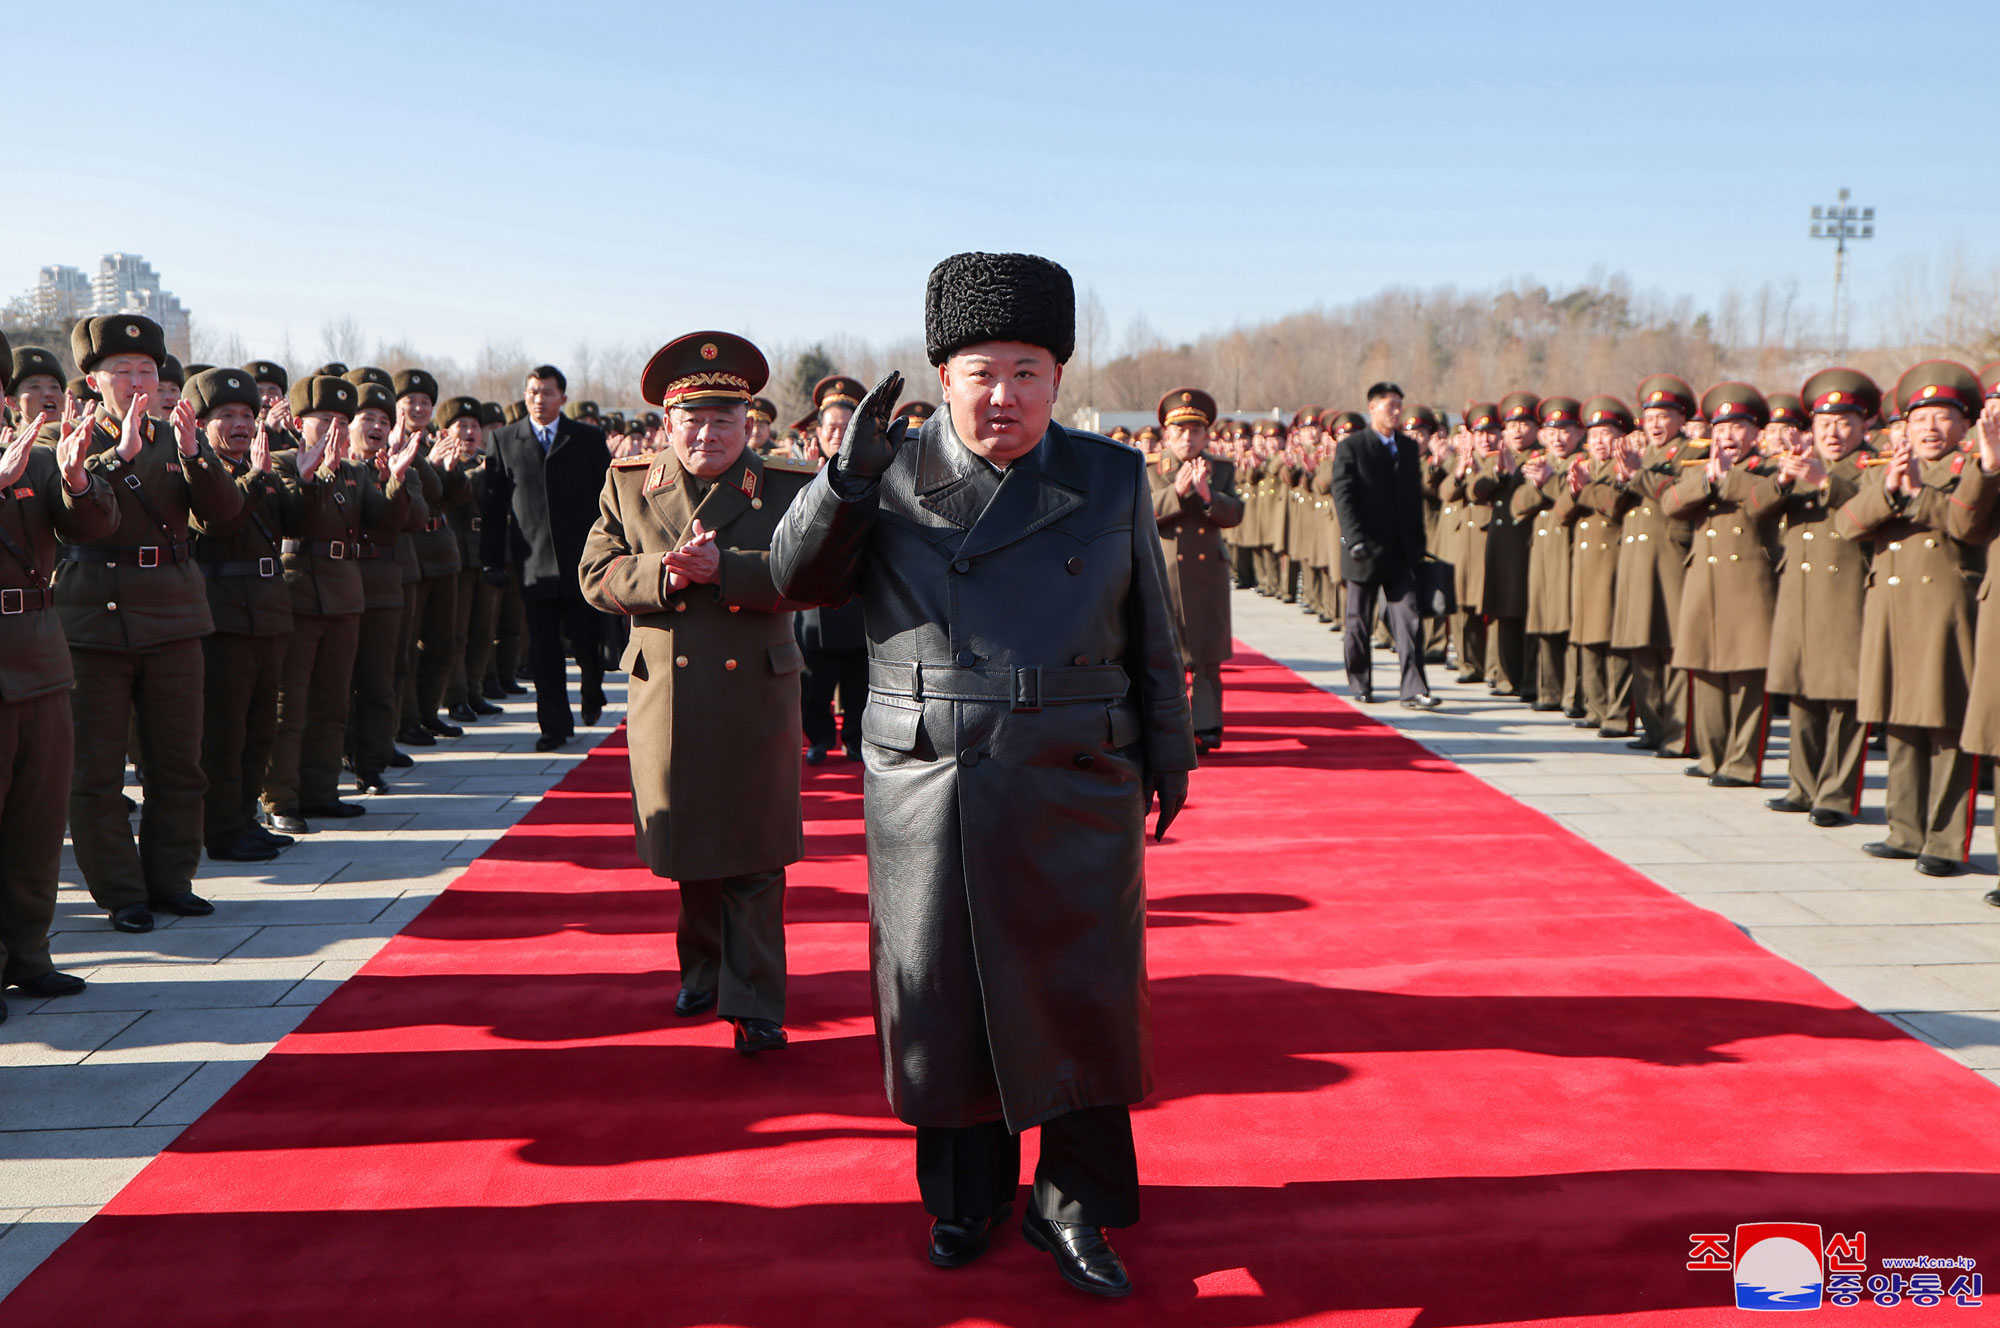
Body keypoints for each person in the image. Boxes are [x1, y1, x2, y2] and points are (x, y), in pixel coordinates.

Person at [772, 252, 1195, 1298]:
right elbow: (790, 578)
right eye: (978, 369)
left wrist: (1170, 746)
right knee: (945, 992)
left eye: (1025, 369)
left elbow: (1151, 624)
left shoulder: (1107, 474)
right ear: (940, 374)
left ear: (1056, 378)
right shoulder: (889, 471)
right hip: (933, 773)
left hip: (1078, 765)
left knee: (1083, 990)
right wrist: (843, 479)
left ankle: (1074, 1201)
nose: (1001, 393)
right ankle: (964, 1197)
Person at [579, 331, 817, 1054]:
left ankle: (756, 1004)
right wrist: (664, 575)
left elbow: (816, 579)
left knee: (753, 852)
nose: (707, 433)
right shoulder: (629, 483)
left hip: (755, 696)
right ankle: (704, 966)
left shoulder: (786, 486)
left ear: (750, 425)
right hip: (669, 699)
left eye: (723, 421)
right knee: (692, 851)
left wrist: (729, 572)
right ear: (667, 424)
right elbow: (595, 577)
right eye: (693, 420)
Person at [56, 314, 243, 934]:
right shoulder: (65, 440)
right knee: (98, 771)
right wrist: (114, 457)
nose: (137, 380)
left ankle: (171, 880)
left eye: (148, 371)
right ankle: (119, 889)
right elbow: (80, 520)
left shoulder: (178, 436)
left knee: (178, 763)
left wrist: (196, 456)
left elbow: (221, 516)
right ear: (92, 380)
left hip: (172, 614)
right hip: (93, 622)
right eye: (122, 371)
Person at [1836, 361, 1982, 876]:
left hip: (1945, 611)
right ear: (1905, 428)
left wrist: (1920, 495)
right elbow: (1847, 525)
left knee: (1946, 729)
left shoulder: (1972, 473)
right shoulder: (1884, 473)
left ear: (1965, 427)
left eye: (1943, 418)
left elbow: (1968, 525)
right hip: (1892, 610)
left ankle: (1943, 842)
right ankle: (1904, 830)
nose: (1931, 429)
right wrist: (1892, 490)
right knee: (1898, 723)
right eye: (1921, 419)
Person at [0, 387, 118, 1017]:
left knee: (38, 823)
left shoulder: (38, 458)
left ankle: (30, 956)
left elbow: (96, 526)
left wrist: (77, 481)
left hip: (42, 660)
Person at [187, 368, 297, 862]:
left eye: (248, 415)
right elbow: (219, 519)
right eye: (226, 415)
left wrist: (309, 473)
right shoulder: (197, 469)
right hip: (223, 617)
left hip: (268, 613)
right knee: (224, 732)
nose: (241, 424)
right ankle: (222, 828)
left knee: (260, 728)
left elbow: (304, 525)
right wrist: (255, 476)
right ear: (200, 423)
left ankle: (246, 816)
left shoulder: (263, 468)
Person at [1763, 369, 1879, 826]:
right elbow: (1756, 509)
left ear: (1864, 425)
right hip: (1799, 591)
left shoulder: (1875, 466)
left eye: (1845, 422)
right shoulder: (1797, 463)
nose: (1834, 433)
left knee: (1843, 698)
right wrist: (1783, 481)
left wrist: (1822, 481)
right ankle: (1802, 786)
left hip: (1846, 592)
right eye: (1825, 424)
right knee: (1802, 692)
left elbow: (1871, 506)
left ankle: (1836, 795)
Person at [482, 365, 611, 751]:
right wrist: (491, 561)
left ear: (563, 398)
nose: (539, 399)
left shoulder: (587, 438)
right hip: (533, 564)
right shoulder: (505, 440)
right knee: (543, 652)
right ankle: (553, 725)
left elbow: (609, 499)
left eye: (547, 392)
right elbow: (493, 507)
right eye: (533, 392)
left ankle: (592, 689)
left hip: (582, 562)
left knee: (587, 641)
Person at [1664, 383, 1781, 787]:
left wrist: (1729, 479)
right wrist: (1707, 481)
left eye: (1737, 427)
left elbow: (1766, 499)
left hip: (1749, 584)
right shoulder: (1699, 467)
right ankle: (1712, 755)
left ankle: (1743, 763)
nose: (1727, 436)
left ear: (1756, 434)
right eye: (1721, 427)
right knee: (1708, 672)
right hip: (1705, 582)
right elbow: (1670, 505)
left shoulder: (1770, 469)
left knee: (1747, 678)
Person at [1329, 381, 1437, 709]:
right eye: (1390, 406)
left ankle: (1414, 688)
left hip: (1401, 551)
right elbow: (1343, 497)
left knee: (1409, 619)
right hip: (1363, 549)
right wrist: (1352, 540)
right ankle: (1360, 681)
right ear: (1372, 407)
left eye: (1399, 406)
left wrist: (1418, 544)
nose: (1396, 412)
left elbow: (1412, 499)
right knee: (1358, 621)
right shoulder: (1353, 447)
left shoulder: (1405, 447)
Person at [342, 383, 427, 795]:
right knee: (336, 681)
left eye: (383, 420)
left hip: (380, 584)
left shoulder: (396, 465)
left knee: (379, 677)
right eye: (367, 418)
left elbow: (417, 518)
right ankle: (337, 753)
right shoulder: (331, 464)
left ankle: (372, 762)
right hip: (336, 583)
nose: (376, 426)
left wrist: (397, 477)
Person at [1150, 386, 1245, 747]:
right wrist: (1175, 491)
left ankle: (1206, 726)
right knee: (1166, 655)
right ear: (1166, 434)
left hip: (1207, 575)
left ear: (1207, 435)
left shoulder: (1219, 469)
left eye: (1195, 431)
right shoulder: (1149, 468)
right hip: (1165, 573)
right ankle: (1171, 728)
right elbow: (1141, 513)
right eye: (1180, 431)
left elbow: (1234, 514)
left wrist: (1208, 497)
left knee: (1206, 654)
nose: (1187, 438)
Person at [796, 375, 871, 763]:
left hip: (859, 592)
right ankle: (820, 738)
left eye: (847, 426)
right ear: (819, 432)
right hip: (815, 598)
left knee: (860, 678)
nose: (838, 434)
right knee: (815, 680)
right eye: (831, 428)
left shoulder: (878, 471)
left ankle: (856, 739)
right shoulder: (798, 473)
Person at [1566, 396, 1636, 736]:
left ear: (1620, 438)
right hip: (1585, 565)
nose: (1597, 441)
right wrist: (1577, 488)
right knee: (1588, 640)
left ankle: (1618, 714)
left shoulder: (1620, 469)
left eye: (1605, 434)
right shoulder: (1585, 466)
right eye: (1593, 435)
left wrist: (1584, 490)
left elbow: (1612, 503)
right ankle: (1596, 708)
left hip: (1611, 562)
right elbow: (1563, 512)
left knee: (1611, 641)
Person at [1515, 396, 1584, 713]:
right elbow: (1518, 505)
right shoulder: (1539, 461)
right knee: (1544, 624)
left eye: (1566, 430)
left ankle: (1573, 696)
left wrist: (1548, 483)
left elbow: (1572, 501)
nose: (1558, 437)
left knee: (1570, 627)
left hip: (1570, 554)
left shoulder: (1584, 463)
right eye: (1552, 430)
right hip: (1542, 554)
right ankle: (1549, 690)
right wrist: (1540, 483)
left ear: (1580, 432)